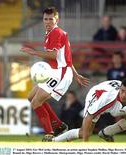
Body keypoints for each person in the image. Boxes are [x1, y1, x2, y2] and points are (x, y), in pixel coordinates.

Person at [20, 7, 89, 141]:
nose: (47, 21)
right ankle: (59, 125)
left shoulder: (56, 32)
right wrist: (75, 74)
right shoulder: (51, 33)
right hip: (56, 71)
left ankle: (50, 133)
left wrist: (34, 52)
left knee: (36, 102)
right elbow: (66, 58)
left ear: (57, 19)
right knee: (31, 97)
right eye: (45, 19)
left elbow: (53, 54)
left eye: (51, 19)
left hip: (60, 73)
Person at [45, 78, 126, 142]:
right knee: (84, 133)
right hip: (97, 95)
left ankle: (106, 133)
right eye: (122, 91)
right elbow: (89, 117)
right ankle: (54, 141)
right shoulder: (107, 98)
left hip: (115, 104)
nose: (124, 95)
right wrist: (85, 146)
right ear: (120, 89)